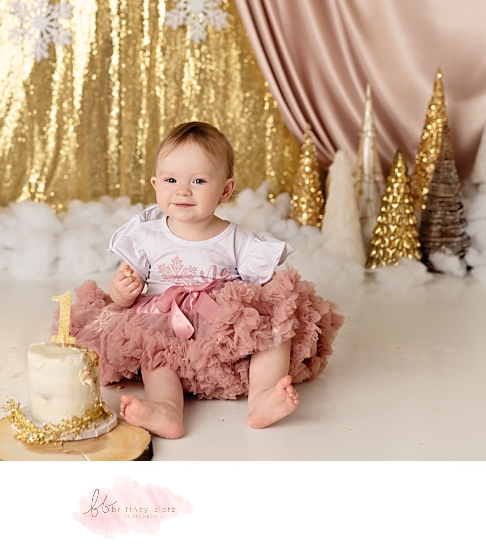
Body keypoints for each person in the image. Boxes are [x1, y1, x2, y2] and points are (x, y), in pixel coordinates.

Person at [60, 121, 344, 439]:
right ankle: (166, 410)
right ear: (155, 184)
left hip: (220, 325)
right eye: (171, 180)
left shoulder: (237, 238)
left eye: (198, 180)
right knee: (156, 357)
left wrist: (261, 315)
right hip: (163, 322)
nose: (182, 190)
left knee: (275, 325)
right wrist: (122, 290)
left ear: (225, 190)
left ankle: (263, 395)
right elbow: (122, 298)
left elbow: (260, 288)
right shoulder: (145, 235)